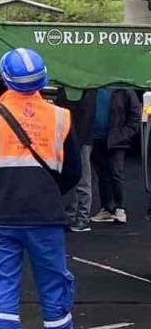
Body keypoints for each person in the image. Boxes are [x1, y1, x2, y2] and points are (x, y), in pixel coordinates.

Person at [0, 48, 91, 329]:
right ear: (43, 78)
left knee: (4, 290)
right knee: (55, 289)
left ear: (4, 78)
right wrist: (47, 195)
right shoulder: (61, 118)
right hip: (45, 219)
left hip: (1, 218)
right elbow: (73, 174)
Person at [86, 88, 140, 225]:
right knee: (102, 175)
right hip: (95, 138)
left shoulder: (123, 89)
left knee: (116, 173)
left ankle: (120, 208)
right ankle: (107, 209)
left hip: (116, 139)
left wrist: (123, 134)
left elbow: (135, 115)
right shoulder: (92, 88)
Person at [57, 91, 96, 232]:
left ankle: (81, 218)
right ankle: (74, 216)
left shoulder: (85, 91)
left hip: (78, 139)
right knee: (76, 179)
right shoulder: (85, 90)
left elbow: (85, 116)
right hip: (75, 138)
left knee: (82, 181)